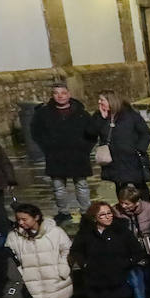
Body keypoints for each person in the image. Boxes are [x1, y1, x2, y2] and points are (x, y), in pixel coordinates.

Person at [70, 202, 144, 298]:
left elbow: (137, 251)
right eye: (102, 215)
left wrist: (125, 263)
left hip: (118, 277)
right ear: (94, 218)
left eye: (109, 213)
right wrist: (85, 265)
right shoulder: (86, 233)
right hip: (95, 278)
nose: (107, 217)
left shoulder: (121, 230)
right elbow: (76, 250)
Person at [7, 203, 75, 298]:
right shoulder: (14, 236)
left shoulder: (55, 232)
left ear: (36, 217)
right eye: (18, 219)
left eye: (24, 219)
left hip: (56, 278)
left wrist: (63, 268)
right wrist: (21, 275)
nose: (20, 223)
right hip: (31, 281)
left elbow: (67, 250)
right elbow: (11, 258)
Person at [30, 81, 95, 225]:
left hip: (78, 155)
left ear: (69, 94)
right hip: (56, 155)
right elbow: (36, 132)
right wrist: (48, 147)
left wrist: (85, 148)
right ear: (53, 96)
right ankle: (63, 212)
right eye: (56, 93)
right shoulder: (43, 114)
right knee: (58, 187)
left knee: (82, 185)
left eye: (63, 93)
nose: (60, 96)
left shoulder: (81, 113)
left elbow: (91, 132)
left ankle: (85, 211)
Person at [92, 90, 150, 199]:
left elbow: (145, 133)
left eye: (102, 100)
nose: (99, 102)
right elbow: (90, 132)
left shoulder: (130, 115)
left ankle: (146, 211)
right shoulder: (99, 116)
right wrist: (102, 118)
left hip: (132, 158)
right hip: (113, 159)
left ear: (111, 101)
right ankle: (125, 211)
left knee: (140, 186)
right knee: (120, 186)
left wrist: (139, 149)